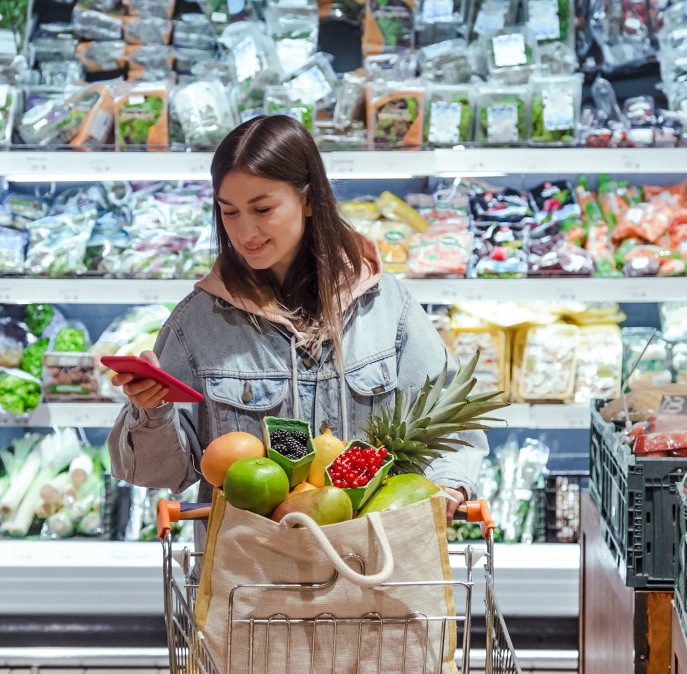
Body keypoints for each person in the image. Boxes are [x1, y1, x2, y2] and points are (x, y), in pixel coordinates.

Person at [108, 115, 486, 523]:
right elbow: (160, 474)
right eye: (229, 212)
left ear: (308, 200)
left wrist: (449, 485)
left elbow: (452, 418)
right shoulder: (197, 323)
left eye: (263, 208)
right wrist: (151, 412)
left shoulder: (384, 305)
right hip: (253, 575)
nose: (244, 231)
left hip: (372, 564)